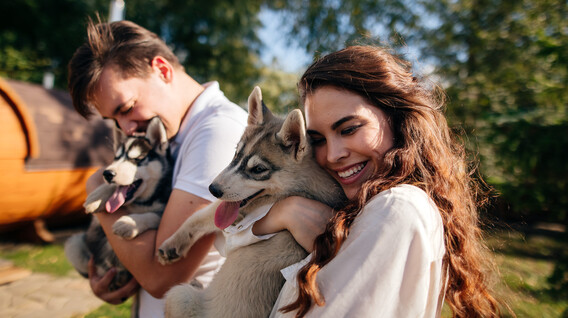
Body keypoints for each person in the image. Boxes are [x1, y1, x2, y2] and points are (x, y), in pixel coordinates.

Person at [253, 45, 500, 317]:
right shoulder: (363, 204)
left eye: (349, 129)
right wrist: (280, 214)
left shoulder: (396, 208)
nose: (333, 155)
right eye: (317, 140)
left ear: (396, 118)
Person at [67, 19, 248, 317]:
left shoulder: (217, 131)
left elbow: (162, 276)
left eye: (126, 108)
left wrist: (95, 189)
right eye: (114, 120)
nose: (126, 128)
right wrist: (114, 273)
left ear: (162, 70)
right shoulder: (174, 131)